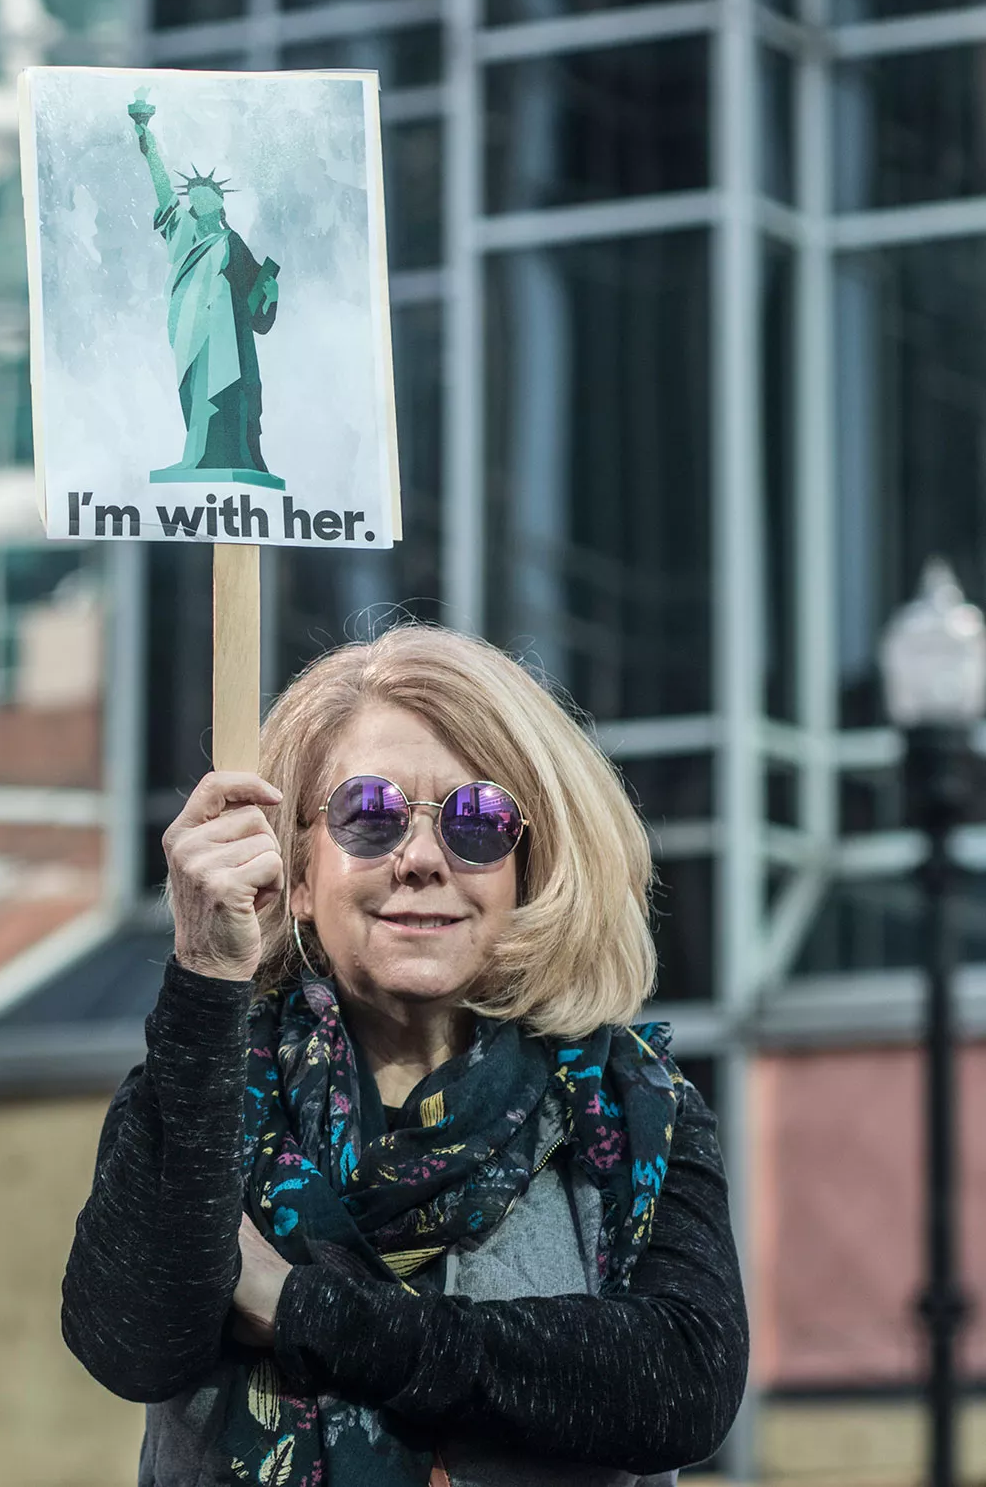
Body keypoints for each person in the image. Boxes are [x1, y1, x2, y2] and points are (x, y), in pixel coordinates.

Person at [63, 627, 748, 1486]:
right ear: (299, 875)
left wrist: (299, 1308)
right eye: (369, 815)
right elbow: (131, 1342)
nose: (422, 859)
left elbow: (682, 1385)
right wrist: (206, 971)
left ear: (525, 873)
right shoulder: (206, 1082)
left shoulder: (633, 1106)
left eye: (479, 820)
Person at [127, 95, 280, 479]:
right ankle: (198, 457)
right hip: (190, 328)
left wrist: (270, 296)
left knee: (232, 390)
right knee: (195, 392)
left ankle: (236, 458)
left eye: (208, 193)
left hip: (227, 333)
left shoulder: (232, 244)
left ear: (219, 202)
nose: (200, 197)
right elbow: (163, 189)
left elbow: (255, 300)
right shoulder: (184, 235)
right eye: (194, 194)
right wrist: (147, 141)